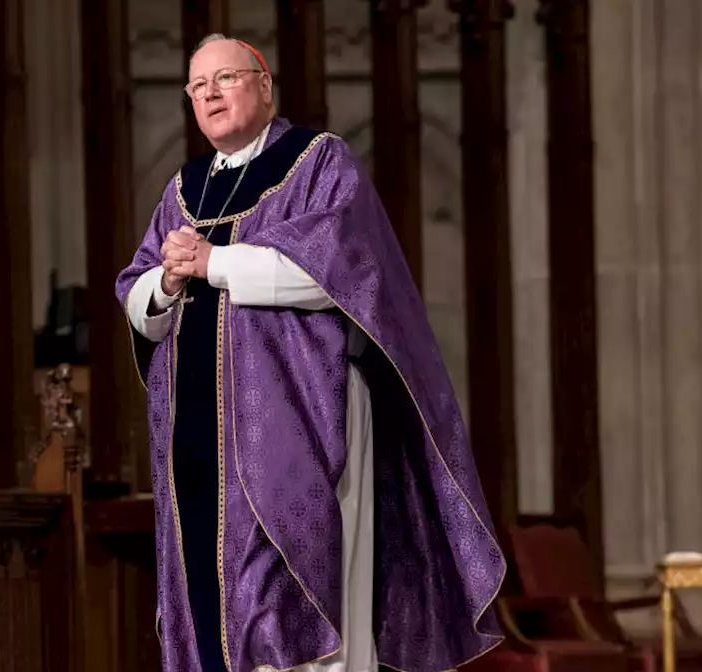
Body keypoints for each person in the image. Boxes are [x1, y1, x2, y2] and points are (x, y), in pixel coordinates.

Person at [115, 34, 504, 672]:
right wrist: (168, 281)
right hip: (197, 445)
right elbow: (138, 296)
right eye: (197, 87)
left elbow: (340, 271)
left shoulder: (317, 163)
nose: (210, 94)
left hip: (300, 420)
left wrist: (215, 263)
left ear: (265, 87)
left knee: (296, 601)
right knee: (211, 604)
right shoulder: (182, 191)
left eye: (226, 79)